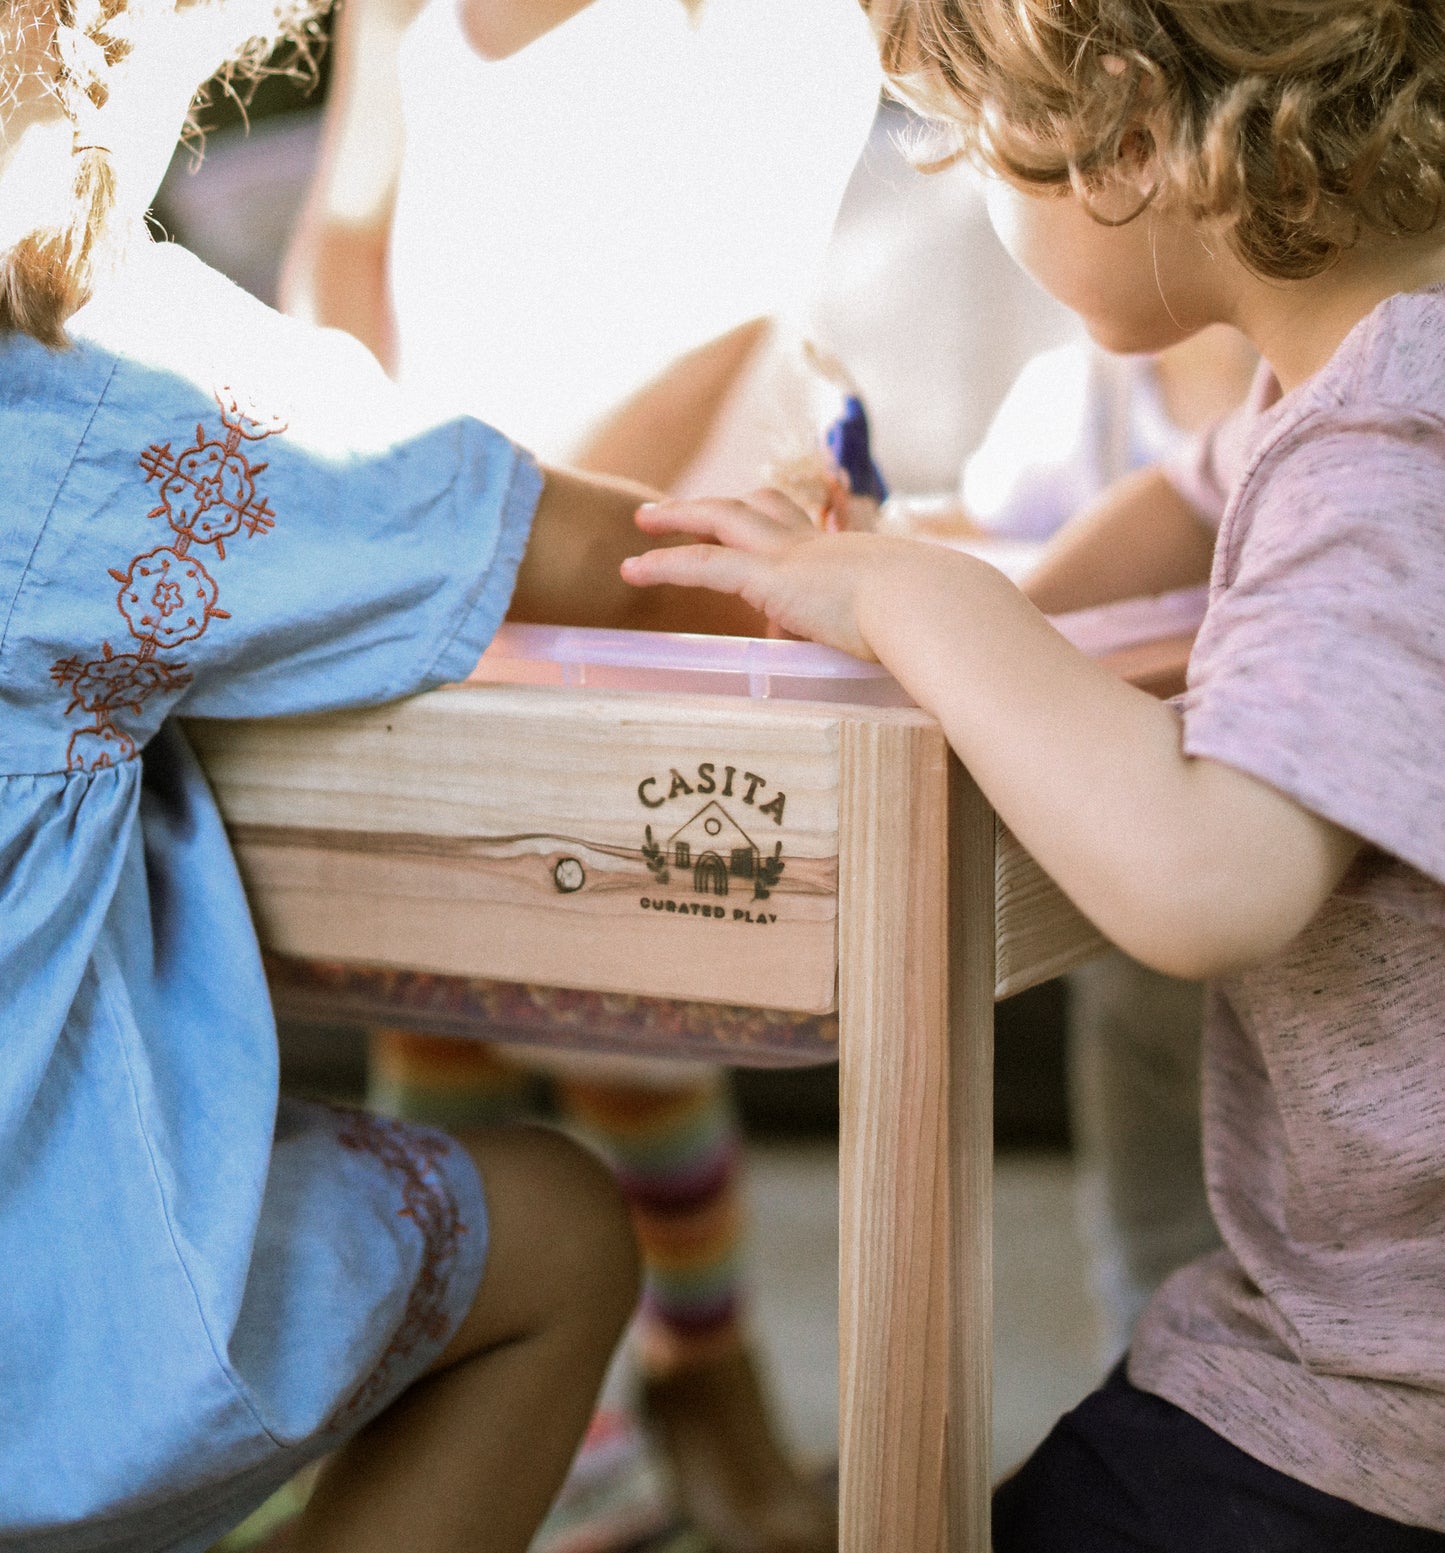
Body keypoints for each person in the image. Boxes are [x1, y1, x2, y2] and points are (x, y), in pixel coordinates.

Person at [622, 0, 1445, 1545]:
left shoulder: (1386, 458)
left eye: (973, 149)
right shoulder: (1363, 379)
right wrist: (912, 588)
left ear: (1129, 134)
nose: (976, 199)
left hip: (1383, 1413)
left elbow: (1208, 878)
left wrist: (934, 609)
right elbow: (1180, 500)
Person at [0, 1, 768, 1548]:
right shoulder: (97, 447)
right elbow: (583, 553)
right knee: (559, 1235)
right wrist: (794, 549)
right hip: (47, 1338)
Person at [281, 3, 878, 1549]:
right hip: (440, 527)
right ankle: (560, 1416)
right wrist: (375, 485)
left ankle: (702, 1371)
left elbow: (748, 299)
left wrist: (535, 545)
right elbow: (345, 238)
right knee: (438, 978)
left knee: (618, 974)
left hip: (628, 544)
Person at [887, 324, 1258, 1363]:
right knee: (1150, 1204)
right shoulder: (1081, 395)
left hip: (1243, 878)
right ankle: (1146, 1379)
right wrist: (891, 552)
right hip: (1128, 907)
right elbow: (1007, 551)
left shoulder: (1347, 383)